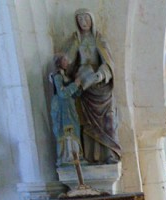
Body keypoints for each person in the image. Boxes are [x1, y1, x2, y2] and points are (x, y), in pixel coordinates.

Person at [65, 8, 121, 164]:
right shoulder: (75, 40)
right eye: (80, 19)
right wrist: (60, 73)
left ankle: (109, 153)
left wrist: (101, 74)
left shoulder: (99, 39)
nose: (83, 22)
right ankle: (90, 155)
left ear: (92, 20)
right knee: (86, 122)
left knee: (108, 120)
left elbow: (108, 63)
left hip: (100, 84)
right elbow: (67, 62)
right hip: (84, 83)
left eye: (86, 18)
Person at [49, 53, 83, 166]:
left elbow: (73, 94)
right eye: (64, 60)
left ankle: (75, 154)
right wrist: (75, 85)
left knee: (74, 128)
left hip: (69, 107)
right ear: (59, 62)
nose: (67, 62)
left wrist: (78, 85)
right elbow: (62, 93)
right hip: (62, 108)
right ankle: (68, 156)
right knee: (66, 130)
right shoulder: (57, 76)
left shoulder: (67, 77)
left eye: (67, 60)